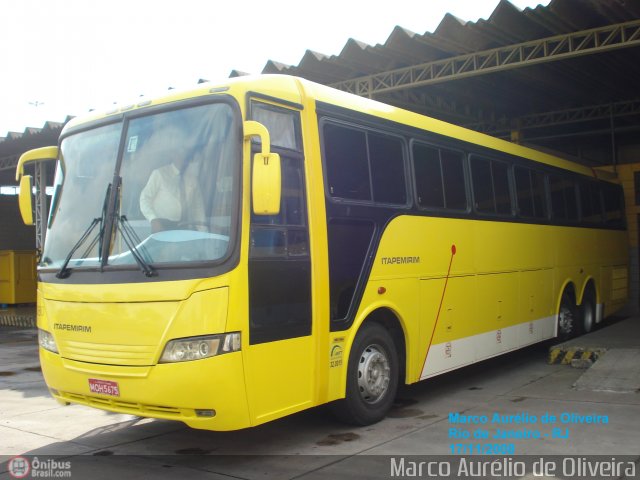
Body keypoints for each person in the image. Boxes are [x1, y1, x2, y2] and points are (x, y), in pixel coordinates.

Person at [139, 156, 206, 233]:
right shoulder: (159, 174)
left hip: (185, 227)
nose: (185, 157)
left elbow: (198, 208)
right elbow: (144, 198)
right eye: (182, 151)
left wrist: (203, 232)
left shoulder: (193, 179)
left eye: (188, 153)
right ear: (173, 154)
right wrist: (153, 219)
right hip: (162, 227)